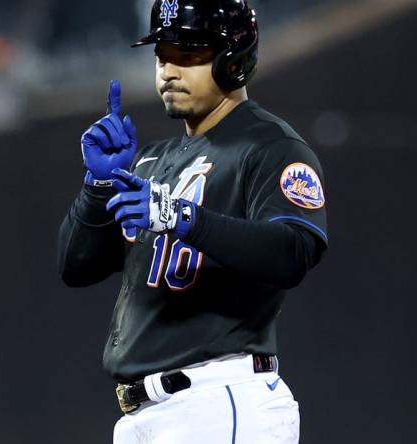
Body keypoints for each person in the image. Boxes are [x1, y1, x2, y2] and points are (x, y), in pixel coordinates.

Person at [57, 0, 328, 442]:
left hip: (220, 400)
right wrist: (97, 186)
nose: (168, 70)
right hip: (144, 415)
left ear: (233, 58)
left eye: (188, 54)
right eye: (162, 54)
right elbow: (75, 266)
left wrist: (181, 217)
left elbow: (292, 252)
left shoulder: (270, 147)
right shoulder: (152, 160)